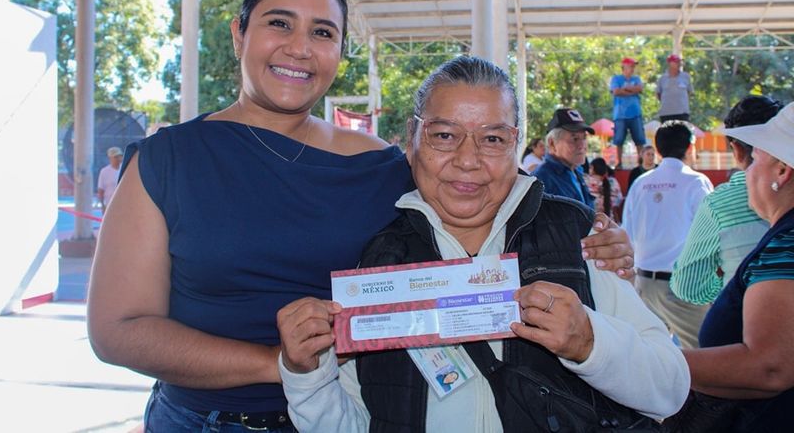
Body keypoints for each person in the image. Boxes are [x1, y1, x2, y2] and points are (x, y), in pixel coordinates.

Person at [86, 0, 635, 432]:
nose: (300, 48)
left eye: (323, 33)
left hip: (359, 413)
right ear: (239, 33)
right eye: (280, 23)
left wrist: (594, 241)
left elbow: (486, 199)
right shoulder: (167, 161)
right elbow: (118, 331)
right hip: (210, 420)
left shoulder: (382, 164)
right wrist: (281, 364)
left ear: (340, 52)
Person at [277, 57, 689, 433]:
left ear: (516, 143)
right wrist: (306, 374)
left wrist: (590, 342)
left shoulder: (576, 236)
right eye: (444, 135)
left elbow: (670, 389)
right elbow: (352, 424)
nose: (468, 160)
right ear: (412, 139)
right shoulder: (380, 260)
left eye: (492, 139)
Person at [665, 101, 794, 432]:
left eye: (757, 159)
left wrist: (652, 362)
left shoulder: (786, 244)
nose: (748, 170)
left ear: (782, 171)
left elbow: (769, 368)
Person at [671, 96, 783, 306]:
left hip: (745, 327)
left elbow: (688, 285)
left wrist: (729, 286)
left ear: (737, 149)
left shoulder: (719, 203)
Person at [622, 121, 713, 349]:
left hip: (643, 283)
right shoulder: (696, 182)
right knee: (704, 351)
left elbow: (628, 233)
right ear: (690, 148)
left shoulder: (640, 184)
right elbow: (711, 235)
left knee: (653, 355)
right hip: (683, 285)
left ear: (658, 149)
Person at [533, 108, 595, 209]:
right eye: (575, 139)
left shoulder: (577, 171)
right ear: (552, 143)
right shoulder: (541, 180)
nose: (582, 145)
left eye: (584, 138)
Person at [610, 57, 647, 169]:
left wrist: (625, 90)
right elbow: (616, 91)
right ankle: (619, 163)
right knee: (619, 139)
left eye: (633, 66)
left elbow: (640, 89)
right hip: (620, 114)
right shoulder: (616, 79)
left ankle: (640, 163)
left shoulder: (637, 78)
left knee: (639, 139)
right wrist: (632, 90)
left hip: (635, 113)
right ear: (624, 67)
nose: (632, 68)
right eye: (631, 66)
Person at [657, 54, 693, 122]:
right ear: (669, 63)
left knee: (682, 132)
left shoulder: (686, 76)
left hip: (682, 113)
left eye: (679, 62)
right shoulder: (662, 78)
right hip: (666, 114)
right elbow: (658, 94)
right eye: (676, 62)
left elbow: (689, 92)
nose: (679, 64)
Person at [97, 146, 123, 214]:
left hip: (123, 205)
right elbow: (101, 191)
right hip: (109, 206)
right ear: (110, 158)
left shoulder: (125, 170)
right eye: (116, 157)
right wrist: (103, 206)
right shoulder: (104, 172)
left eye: (119, 156)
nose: (118, 158)